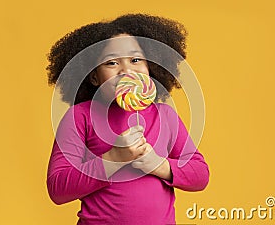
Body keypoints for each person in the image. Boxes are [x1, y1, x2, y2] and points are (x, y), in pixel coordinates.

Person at [46, 14, 209, 225]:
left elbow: (200, 175)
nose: (126, 70)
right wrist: (113, 159)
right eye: (112, 62)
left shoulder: (165, 116)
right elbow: (58, 189)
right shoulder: (80, 117)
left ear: (150, 67)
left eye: (135, 59)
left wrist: (159, 165)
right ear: (94, 77)